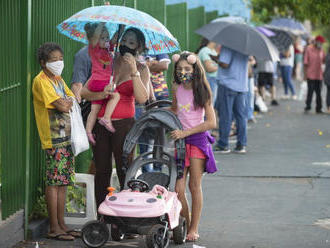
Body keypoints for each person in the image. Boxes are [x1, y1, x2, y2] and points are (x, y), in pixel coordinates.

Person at [80, 27, 149, 208]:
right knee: (102, 171)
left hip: (125, 126)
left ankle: (128, 212)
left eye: (132, 43)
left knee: (124, 169)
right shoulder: (107, 62)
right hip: (101, 125)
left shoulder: (142, 68)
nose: (126, 45)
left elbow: (143, 99)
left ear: (139, 47)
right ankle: (103, 215)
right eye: (124, 41)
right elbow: (84, 92)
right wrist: (101, 94)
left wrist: (134, 69)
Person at [32, 42, 79, 241]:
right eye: (53, 60)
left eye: (60, 59)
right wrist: (66, 102)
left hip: (65, 137)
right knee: (54, 182)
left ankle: (62, 224)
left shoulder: (57, 79)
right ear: (43, 63)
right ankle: (54, 227)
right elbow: (61, 105)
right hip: (53, 140)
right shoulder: (41, 81)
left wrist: (67, 102)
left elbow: (70, 98)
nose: (59, 63)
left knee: (63, 182)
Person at [170, 51, 217, 242]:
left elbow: (211, 122)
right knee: (178, 189)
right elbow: (175, 110)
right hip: (180, 142)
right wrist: (156, 110)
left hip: (197, 140)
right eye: (179, 69)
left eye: (187, 68)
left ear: (195, 69)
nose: (183, 72)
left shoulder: (203, 89)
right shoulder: (176, 87)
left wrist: (185, 133)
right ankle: (186, 224)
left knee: (194, 186)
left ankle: (194, 228)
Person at [84, 22, 122, 144]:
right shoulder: (94, 47)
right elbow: (95, 37)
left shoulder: (107, 48)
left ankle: (88, 131)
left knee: (94, 109)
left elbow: (114, 39)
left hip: (97, 82)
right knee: (116, 95)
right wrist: (101, 22)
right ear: (93, 39)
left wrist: (121, 27)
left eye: (106, 37)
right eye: (102, 38)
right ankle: (106, 118)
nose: (106, 40)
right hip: (100, 80)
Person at [213, 46, 249, 154]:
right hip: (241, 85)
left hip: (227, 84)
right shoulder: (246, 48)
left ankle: (223, 144)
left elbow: (225, 63)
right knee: (240, 116)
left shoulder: (227, 45)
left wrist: (215, 59)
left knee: (225, 115)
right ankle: (241, 144)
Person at [304, 35, 326, 114]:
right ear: (316, 42)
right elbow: (305, 62)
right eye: (320, 43)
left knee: (319, 92)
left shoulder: (321, 50)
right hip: (310, 74)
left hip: (319, 74)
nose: (321, 44)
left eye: (322, 43)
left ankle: (319, 108)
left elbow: (324, 60)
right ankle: (308, 106)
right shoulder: (309, 49)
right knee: (310, 91)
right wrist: (305, 74)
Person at [196, 38, 219, 106]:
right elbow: (209, 68)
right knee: (209, 103)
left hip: (214, 79)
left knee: (212, 102)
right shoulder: (205, 51)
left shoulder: (212, 51)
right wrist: (221, 66)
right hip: (210, 79)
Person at [324, 47, 330, 113]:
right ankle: (329, 107)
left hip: (327, 76)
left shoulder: (327, 55)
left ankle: (328, 107)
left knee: (328, 92)